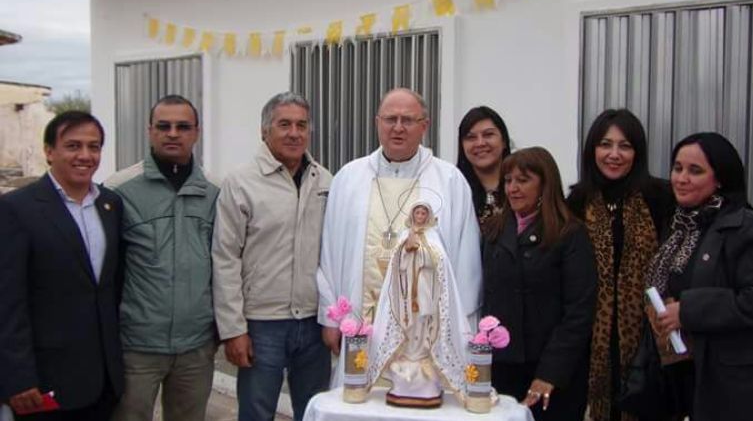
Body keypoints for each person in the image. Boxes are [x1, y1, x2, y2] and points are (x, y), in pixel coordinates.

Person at [316, 88, 482, 385]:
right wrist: (331, 319)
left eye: (408, 119)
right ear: (377, 122)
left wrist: (464, 328)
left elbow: (466, 261)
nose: (398, 127)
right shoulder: (349, 178)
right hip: (360, 325)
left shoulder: (450, 181)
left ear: (425, 126)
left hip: (426, 331)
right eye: (390, 119)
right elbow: (329, 252)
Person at [647, 132, 753, 421]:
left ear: (720, 179)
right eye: (677, 168)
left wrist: (688, 310)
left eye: (695, 171)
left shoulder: (747, 226)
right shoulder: (681, 227)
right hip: (693, 374)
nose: (681, 178)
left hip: (742, 386)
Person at [212, 92, 332, 421]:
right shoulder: (241, 182)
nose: (294, 133)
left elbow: (335, 251)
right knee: (256, 413)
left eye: (301, 125)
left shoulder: (324, 180)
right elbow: (224, 257)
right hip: (261, 325)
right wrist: (233, 329)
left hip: (313, 323)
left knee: (314, 411)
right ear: (265, 131)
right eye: (284, 124)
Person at [0, 111, 124, 420]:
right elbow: (7, 302)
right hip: (45, 383)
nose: (85, 155)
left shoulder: (110, 204)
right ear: (49, 151)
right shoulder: (17, 209)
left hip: (103, 380)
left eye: (94, 147)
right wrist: (17, 377)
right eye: (73, 146)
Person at [105, 95, 219, 421]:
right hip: (136, 346)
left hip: (196, 347)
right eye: (163, 126)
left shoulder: (214, 190)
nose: (172, 133)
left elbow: (225, 264)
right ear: (149, 131)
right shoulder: (119, 189)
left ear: (196, 132)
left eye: (182, 126)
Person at [566, 109, 673, 421]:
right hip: (593, 339)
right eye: (605, 145)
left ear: (636, 152)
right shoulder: (577, 202)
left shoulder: (660, 197)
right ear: (592, 151)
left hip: (649, 338)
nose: (614, 154)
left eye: (624, 146)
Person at [482, 147, 597, 421]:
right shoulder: (494, 230)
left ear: (545, 184)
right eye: (508, 180)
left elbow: (579, 312)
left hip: (552, 372)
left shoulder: (570, 234)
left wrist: (550, 374)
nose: (513, 188)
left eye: (523, 180)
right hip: (503, 368)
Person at [368, 201, 471, 408]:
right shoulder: (406, 236)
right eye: (418, 212)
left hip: (427, 290)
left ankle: (423, 354)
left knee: (424, 323)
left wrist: (422, 254)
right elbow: (397, 264)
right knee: (410, 323)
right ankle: (410, 355)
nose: (421, 216)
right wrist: (406, 251)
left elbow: (439, 262)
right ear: (413, 215)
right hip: (406, 294)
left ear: (428, 215)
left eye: (424, 212)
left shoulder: (433, 237)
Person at [456, 106, 511, 229]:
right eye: (471, 137)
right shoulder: (454, 190)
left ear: (504, 141)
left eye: (488, 134)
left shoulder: (521, 189)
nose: (480, 143)